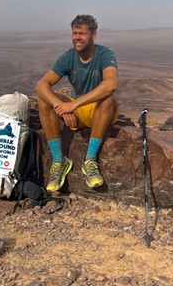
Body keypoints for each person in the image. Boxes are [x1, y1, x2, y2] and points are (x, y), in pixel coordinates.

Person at [35, 14, 119, 191]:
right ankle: (59, 161)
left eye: (82, 33)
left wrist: (73, 105)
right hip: (78, 111)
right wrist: (61, 108)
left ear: (93, 36)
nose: (77, 38)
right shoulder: (68, 57)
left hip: (99, 110)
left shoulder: (105, 54)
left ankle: (90, 160)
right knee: (44, 100)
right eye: (74, 33)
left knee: (108, 99)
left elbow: (111, 84)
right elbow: (42, 85)